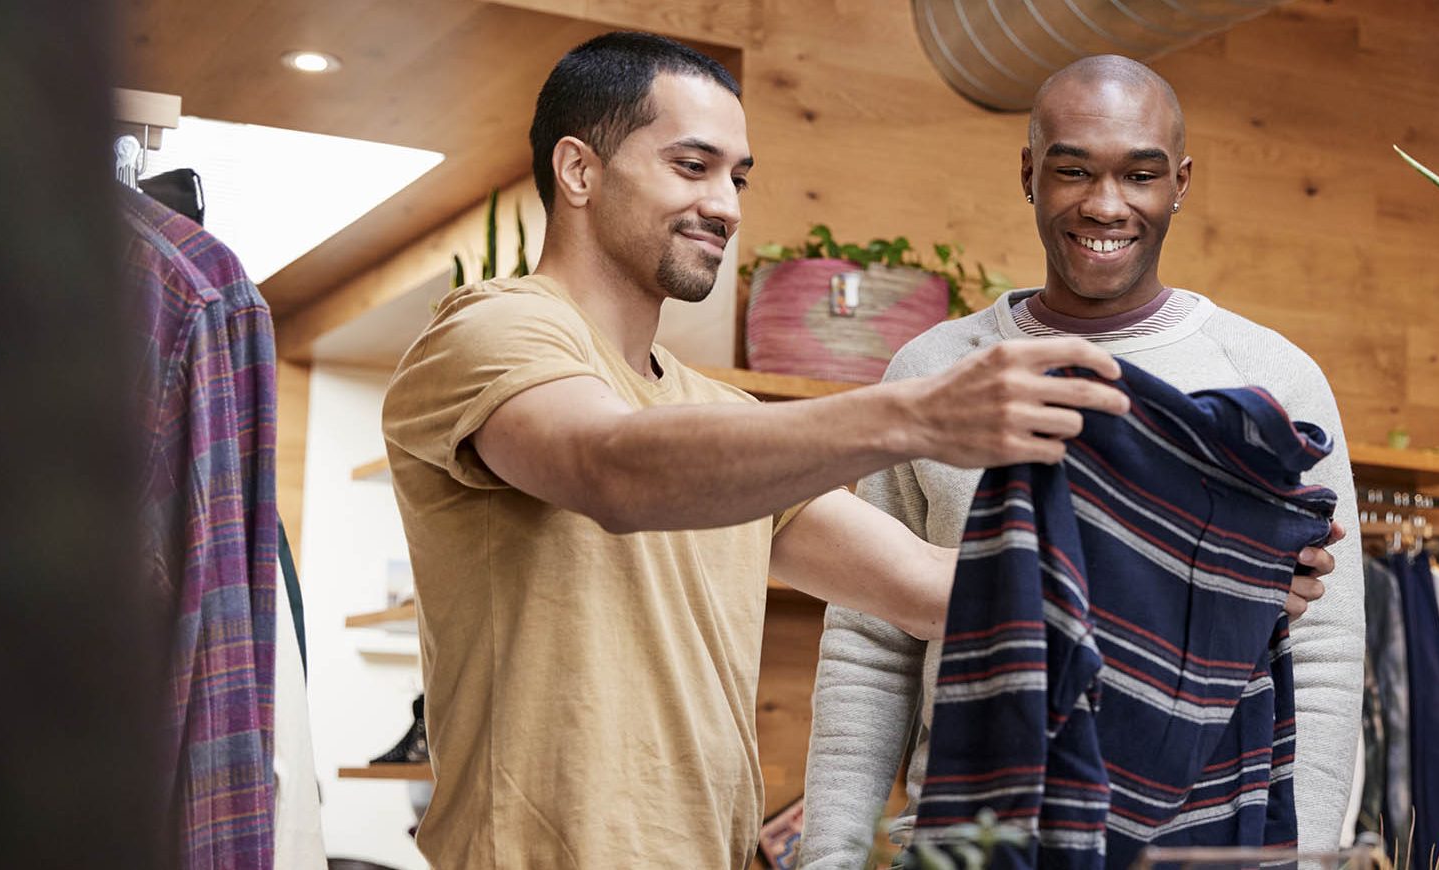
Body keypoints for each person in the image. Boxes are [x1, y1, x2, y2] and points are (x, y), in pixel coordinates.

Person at [379, 32, 1143, 868]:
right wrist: (912, 416)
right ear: (579, 171)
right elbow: (611, 466)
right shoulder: (492, 329)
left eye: (737, 177)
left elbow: (933, 593)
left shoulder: (719, 419)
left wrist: (1210, 571)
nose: (729, 205)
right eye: (692, 165)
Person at [797, 55, 1365, 866]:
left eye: (1140, 174)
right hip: (975, 838)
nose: (1106, 205)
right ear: (1030, 173)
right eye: (1073, 171)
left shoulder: (1269, 382)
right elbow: (869, 644)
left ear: (1182, 182)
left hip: (1205, 848)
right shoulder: (935, 373)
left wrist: (1301, 857)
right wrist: (834, 856)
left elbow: (1326, 654)